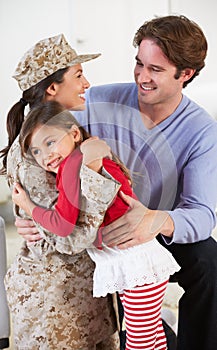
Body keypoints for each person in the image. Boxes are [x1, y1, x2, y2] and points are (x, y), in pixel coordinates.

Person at [16, 15, 217, 350]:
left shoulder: (201, 130)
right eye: (139, 64)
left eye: (156, 69)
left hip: (156, 228)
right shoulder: (97, 102)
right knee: (138, 317)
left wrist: (156, 220)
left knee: (211, 263)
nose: (142, 77)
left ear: (186, 75)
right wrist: (29, 213)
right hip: (105, 232)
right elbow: (37, 140)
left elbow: (203, 214)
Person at [11, 100, 180, 350]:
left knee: (139, 341)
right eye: (35, 151)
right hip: (139, 259)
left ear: (74, 133)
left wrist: (28, 206)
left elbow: (63, 225)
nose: (45, 156)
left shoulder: (72, 167)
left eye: (50, 142)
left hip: (134, 263)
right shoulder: (86, 155)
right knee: (151, 334)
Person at [0, 34, 120, 349]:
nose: (87, 83)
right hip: (54, 310)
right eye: (78, 75)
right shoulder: (35, 151)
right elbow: (68, 238)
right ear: (52, 88)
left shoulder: (62, 132)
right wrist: (93, 173)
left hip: (84, 301)